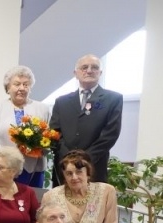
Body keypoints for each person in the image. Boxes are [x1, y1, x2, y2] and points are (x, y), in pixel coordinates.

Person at [50, 54, 123, 183]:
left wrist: (85, 159)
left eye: (94, 67)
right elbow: (54, 133)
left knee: (92, 203)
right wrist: (69, 158)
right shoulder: (61, 101)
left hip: (95, 167)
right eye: (84, 67)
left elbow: (110, 134)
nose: (89, 70)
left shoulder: (113, 99)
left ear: (100, 73)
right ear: (75, 73)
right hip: (64, 167)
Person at [0, 66, 51, 187]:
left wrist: (39, 148)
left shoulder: (42, 109)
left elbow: (49, 138)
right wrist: (3, 152)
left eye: (26, 84)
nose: (21, 88)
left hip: (34, 170)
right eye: (17, 84)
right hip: (4, 167)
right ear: (8, 87)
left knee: (31, 203)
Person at [41, 150, 118, 223]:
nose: (74, 177)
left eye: (79, 172)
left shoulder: (106, 192)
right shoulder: (50, 196)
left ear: (88, 173)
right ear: (64, 176)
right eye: (69, 173)